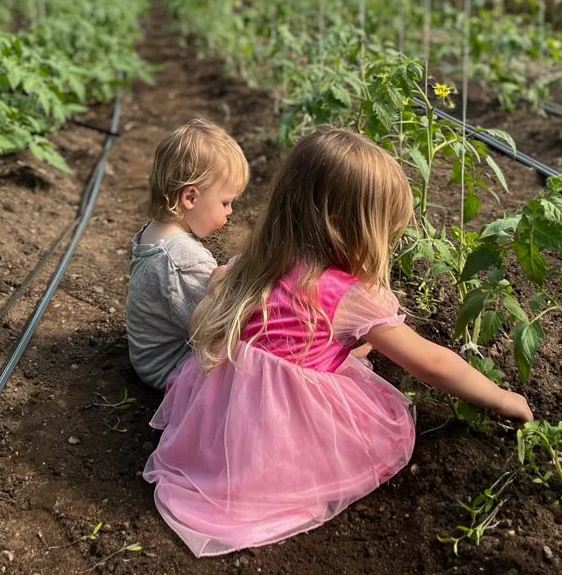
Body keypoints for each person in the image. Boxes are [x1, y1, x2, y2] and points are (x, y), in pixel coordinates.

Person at [144, 128, 532, 557]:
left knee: (344, 349)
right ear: (357, 229)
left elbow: (211, 317)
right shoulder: (349, 297)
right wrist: (500, 396)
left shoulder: (259, 259)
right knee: (374, 418)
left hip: (223, 412)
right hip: (279, 429)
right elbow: (431, 364)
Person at [126, 119, 249, 391]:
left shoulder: (156, 232)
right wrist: (221, 284)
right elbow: (212, 330)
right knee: (256, 365)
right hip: (171, 367)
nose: (230, 212)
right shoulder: (182, 259)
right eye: (225, 202)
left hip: (150, 357)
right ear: (190, 198)